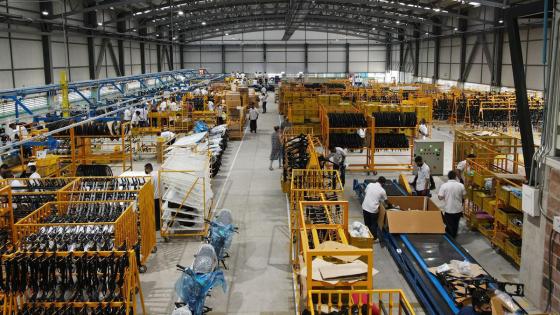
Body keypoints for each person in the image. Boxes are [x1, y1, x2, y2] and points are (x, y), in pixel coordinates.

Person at [438, 171, 467, 238]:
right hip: (458, 210)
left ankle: (450, 239)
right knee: (455, 225)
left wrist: (446, 196)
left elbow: (440, 197)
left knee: (449, 225)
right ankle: (453, 237)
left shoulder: (444, 186)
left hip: (449, 210)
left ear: (448, 177)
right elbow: (464, 196)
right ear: (455, 176)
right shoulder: (461, 185)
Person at [145, 163, 161, 232]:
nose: (145, 170)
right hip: (159, 195)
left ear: (148, 169)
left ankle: (156, 227)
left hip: (154, 197)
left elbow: (149, 187)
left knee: (154, 213)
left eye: (145, 169)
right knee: (158, 212)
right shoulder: (157, 173)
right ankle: (159, 225)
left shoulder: (150, 176)